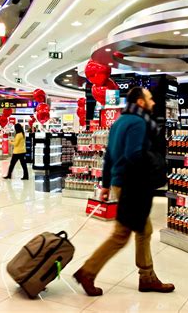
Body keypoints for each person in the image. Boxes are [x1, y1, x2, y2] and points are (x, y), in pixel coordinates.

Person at [73, 87, 174, 296]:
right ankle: (88, 272)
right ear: (140, 102)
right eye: (150, 98)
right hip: (133, 184)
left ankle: (147, 277)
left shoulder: (119, 122)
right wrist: (154, 168)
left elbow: (109, 156)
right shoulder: (138, 122)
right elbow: (133, 155)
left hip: (121, 182)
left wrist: (106, 185)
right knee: (121, 234)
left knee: (144, 231)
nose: (153, 102)